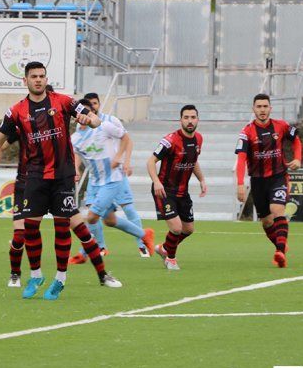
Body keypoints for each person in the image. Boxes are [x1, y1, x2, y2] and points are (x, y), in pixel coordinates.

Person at [0, 61, 120, 300]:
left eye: (42, 76)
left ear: (46, 79)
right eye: (34, 76)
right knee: (30, 228)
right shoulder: (16, 111)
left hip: (62, 176)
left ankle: (60, 279)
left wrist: (92, 121)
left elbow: (92, 117)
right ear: (25, 80)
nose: (38, 79)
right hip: (35, 177)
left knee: (63, 227)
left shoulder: (63, 102)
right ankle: (35, 274)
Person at [70, 98, 154, 263]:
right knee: (110, 220)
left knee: (92, 216)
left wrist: (119, 157)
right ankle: (145, 235)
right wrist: (75, 169)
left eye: (89, 112)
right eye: (81, 113)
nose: (85, 116)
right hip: (96, 182)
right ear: (75, 116)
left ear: (93, 113)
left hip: (112, 179)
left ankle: (87, 252)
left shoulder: (104, 126)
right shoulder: (75, 138)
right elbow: (74, 155)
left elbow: (126, 138)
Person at [235, 93, 302, 268]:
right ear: (254, 109)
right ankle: (281, 245)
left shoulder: (281, 126)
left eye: (265, 106)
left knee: (277, 209)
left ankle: (279, 251)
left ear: (270, 108)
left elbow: (296, 141)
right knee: (266, 221)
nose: (262, 110)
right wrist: (240, 183)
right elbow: (241, 159)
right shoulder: (247, 132)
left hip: (278, 176)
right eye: (259, 106)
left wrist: (298, 158)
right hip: (257, 181)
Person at [147, 105, 207, 270]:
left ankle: (164, 248)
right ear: (181, 120)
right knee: (176, 227)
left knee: (188, 229)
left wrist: (201, 179)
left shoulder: (199, 139)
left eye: (193, 117)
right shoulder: (170, 140)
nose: (189, 121)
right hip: (165, 190)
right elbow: (151, 161)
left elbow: (193, 161)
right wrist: (156, 182)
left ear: (197, 120)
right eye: (186, 117)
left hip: (182, 191)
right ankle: (170, 259)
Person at [0, 144, 30, 288]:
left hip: (49, 183)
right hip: (24, 185)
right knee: (19, 234)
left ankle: (100, 273)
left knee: (69, 224)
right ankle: (15, 274)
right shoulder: (19, 123)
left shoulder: (55, 125)